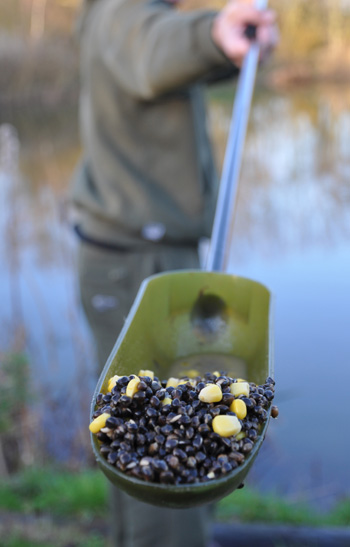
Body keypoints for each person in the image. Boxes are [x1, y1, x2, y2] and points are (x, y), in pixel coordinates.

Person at [70, 0, 278, 546]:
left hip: (153, 255)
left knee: (134, 447)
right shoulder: (120, 12)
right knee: (168, 486)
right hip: (136, 265)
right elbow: (152, 48)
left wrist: (230, 48)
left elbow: (171, 56)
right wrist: (213, 32)